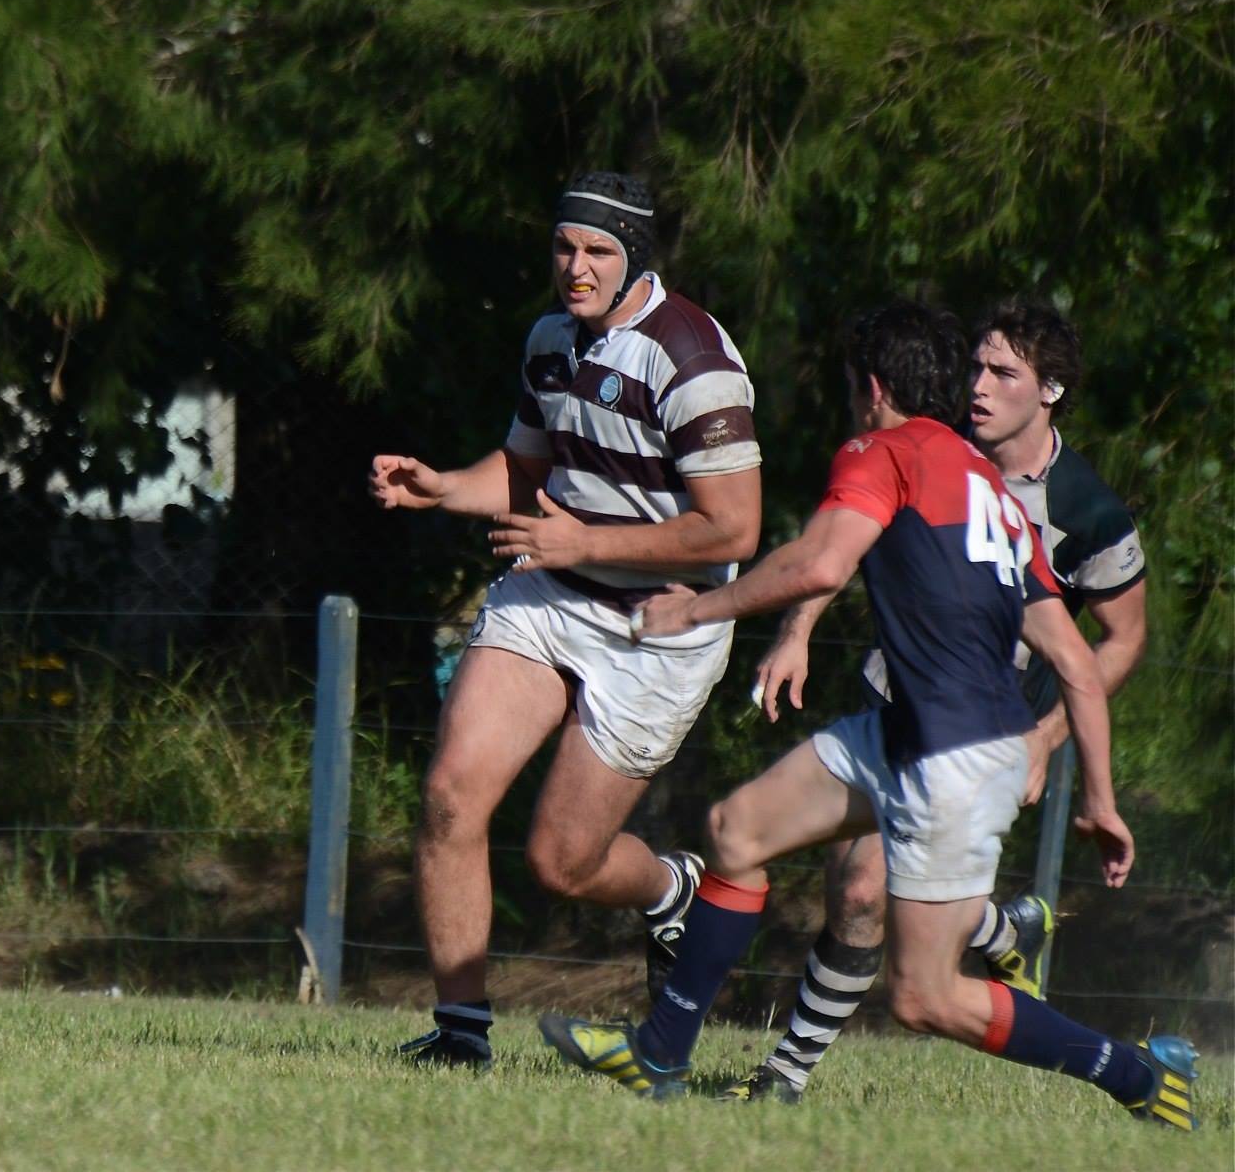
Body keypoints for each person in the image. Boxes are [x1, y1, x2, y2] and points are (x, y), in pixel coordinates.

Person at [541, 301, 1197, 1132]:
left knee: (924, 998)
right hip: (909, 731)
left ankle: (1140, 1075)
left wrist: (699, 610)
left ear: (873, 388)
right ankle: (659, 1052)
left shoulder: (882, 448)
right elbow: (1073, 661)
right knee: (737, 828)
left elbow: (819, 560)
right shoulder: (984, 483)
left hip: (955, 756)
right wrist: (1099, 798)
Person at [370, 172, 761, 1066]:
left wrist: (583, 540)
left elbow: (732, 527)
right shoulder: (551, 338)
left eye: (597, 253)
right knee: (449, 794)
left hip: (662, 623)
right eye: (564, 248)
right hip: (554, 590)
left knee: (562, 862)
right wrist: (441, 489)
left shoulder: (691, 358)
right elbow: (521, 470)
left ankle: (670, 890)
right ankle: (462, 1035)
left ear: (635, 260)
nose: (575, 269)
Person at [723, 300, 1148, 1103]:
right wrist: (798, 628)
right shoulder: (926, 439)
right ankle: (999, 927)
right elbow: (838, 540)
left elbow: (1118, 639)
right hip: (895, 697)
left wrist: (1048, 738)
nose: (977, 388)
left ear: (1049, 389)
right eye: (975, 368)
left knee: (870, 905)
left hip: (974, 732)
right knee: (844, 886)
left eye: (1002, 373)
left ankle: (783, 1075)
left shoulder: (1088, 508)